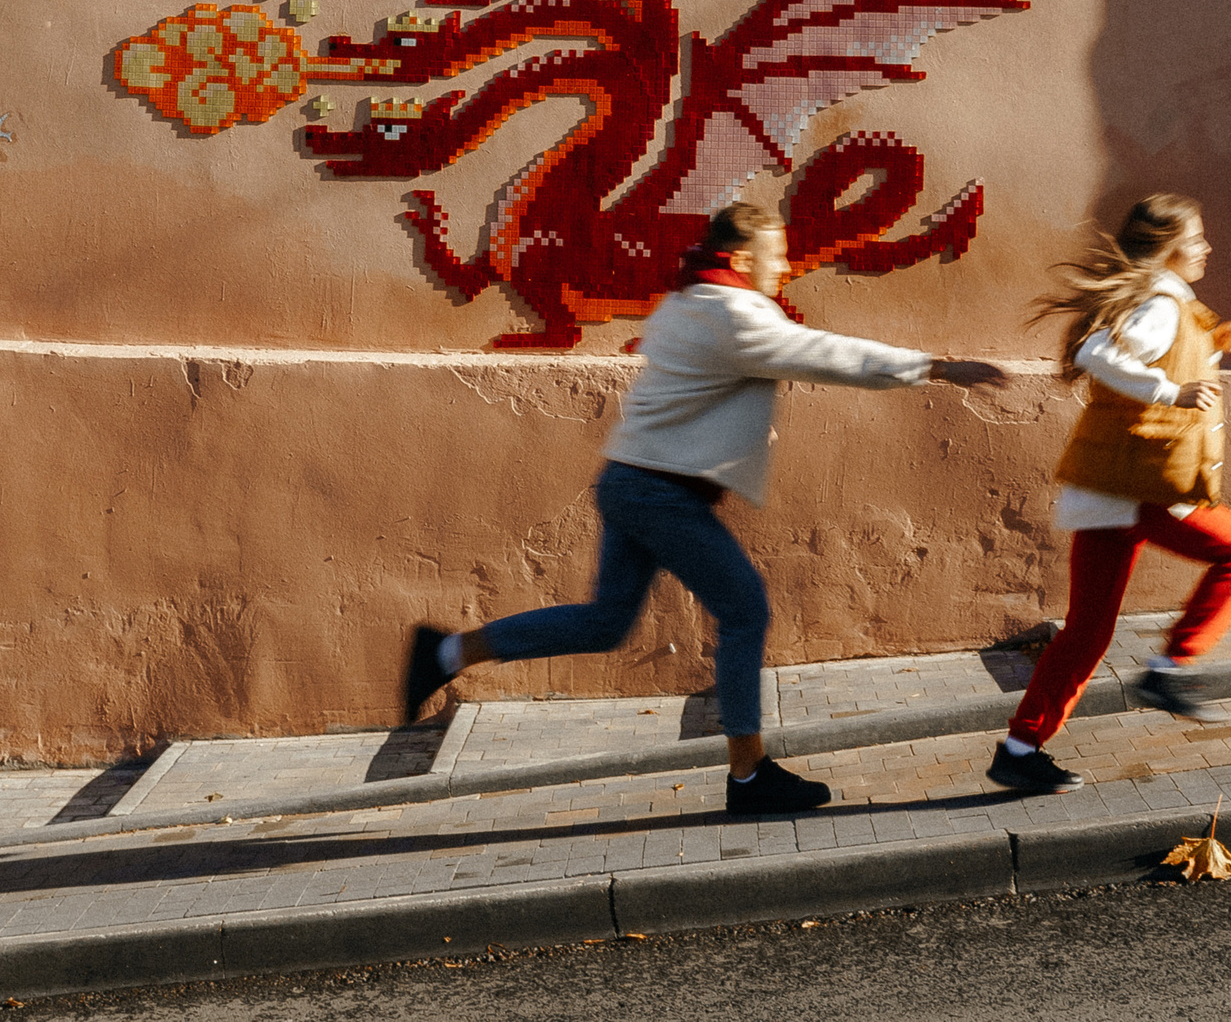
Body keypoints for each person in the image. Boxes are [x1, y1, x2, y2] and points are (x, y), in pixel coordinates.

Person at [402, 201, 1006, 816]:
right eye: (778, 255)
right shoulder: (734, 313)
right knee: (744, 609)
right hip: (660, 493)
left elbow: (719, 385)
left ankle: (445, 654)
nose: (787, 265)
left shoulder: (687, 301)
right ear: (744, 258)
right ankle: (748, 776)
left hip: (632, 482)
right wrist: (935, 367)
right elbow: (824, 353)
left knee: (605, 624)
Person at [985, 193, 1231, 796]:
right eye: (1197, 240)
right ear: (1169, 249)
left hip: (1110, 487)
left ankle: (1019, 749)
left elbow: (1151, 355)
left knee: (1087, 632)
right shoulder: (1162, 304)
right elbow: (1099, 355)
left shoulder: (1171, 306)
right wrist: (1172, 393)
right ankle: (1171, 668)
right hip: (1144, 484)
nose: (1207, 248)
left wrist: (1216, 344)